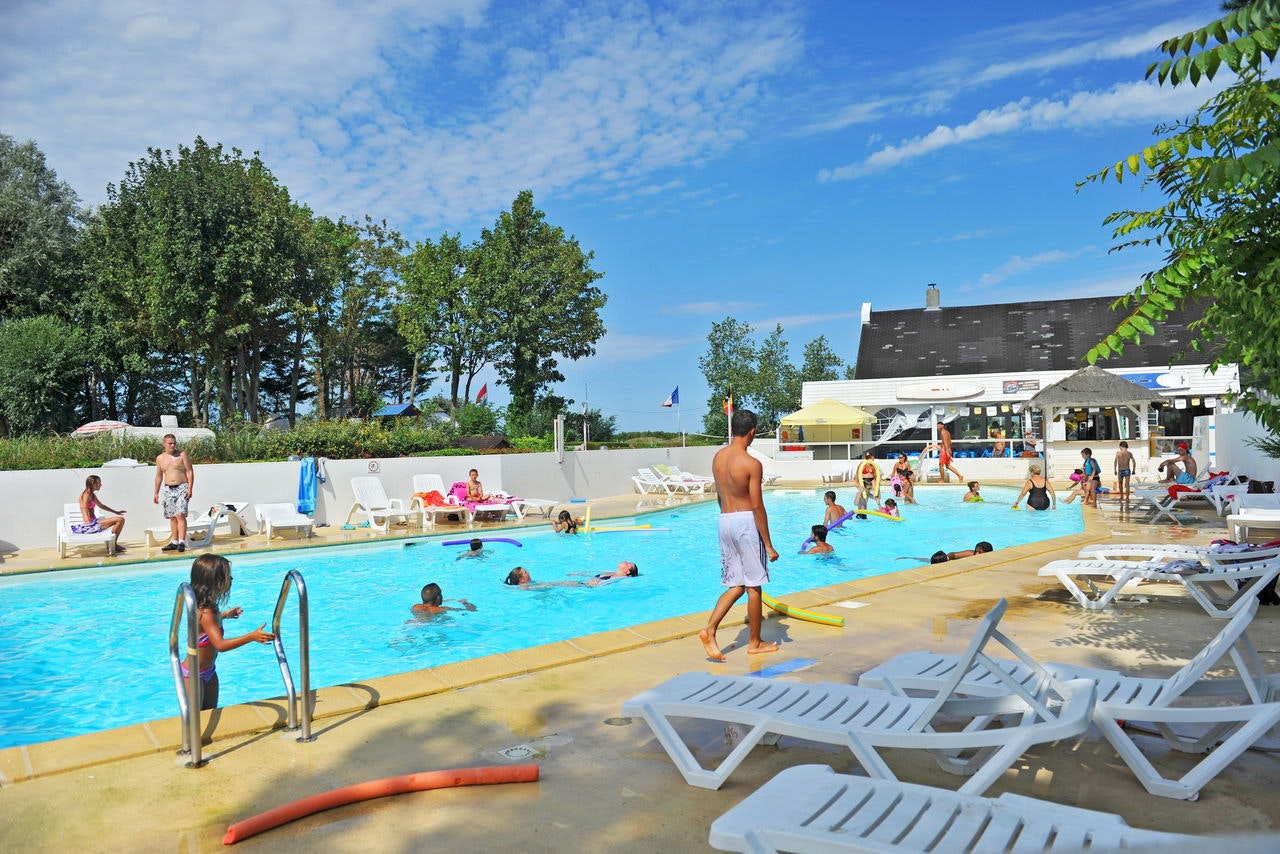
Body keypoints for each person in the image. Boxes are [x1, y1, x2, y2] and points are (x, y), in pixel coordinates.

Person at [700, 408, 779, 661]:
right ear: (753, 432)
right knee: (754, 586)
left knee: (737, 585)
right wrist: (768, 544)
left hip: (724, 520)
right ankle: (754, 643)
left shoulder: (717, 458)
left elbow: (719, 496)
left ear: (733, 428)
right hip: (746, 521)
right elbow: (757, 506)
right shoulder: (752, 464)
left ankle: (710, 629)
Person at [188, 554, 274, 710]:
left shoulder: (209, 607)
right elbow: (220, 645)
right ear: (215, 581)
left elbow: (208, 627)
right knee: (196, 721)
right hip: (193, 674)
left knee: (210, 714)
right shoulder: (205, 612)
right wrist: (251, 637)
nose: (231, 579)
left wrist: (225, 615)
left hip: (209, 671)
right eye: (228, 576)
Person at [153, 433, 194, 552]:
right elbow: (159, 476)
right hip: (168, 489)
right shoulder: (160, 458)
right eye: (170, 443)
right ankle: (174, 541)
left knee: (180, 514)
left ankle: (182, 542)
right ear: (164, 444)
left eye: (174, 443)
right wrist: (156, 492)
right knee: (172, 517)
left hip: (182, 487)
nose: (173, 445)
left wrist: (190, 489)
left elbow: (190, 471)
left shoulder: (182, 455)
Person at [73, 475, 127, 552]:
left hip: (94, 522)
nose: (101, 485)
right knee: (120, 520)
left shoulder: (92, 494)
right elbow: (84, 507)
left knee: (120, 519)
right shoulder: (86, 495)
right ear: (92, 483)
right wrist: (88, 521)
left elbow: (101, 506)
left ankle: (112, 544)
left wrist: (116, 512)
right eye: (99, 482)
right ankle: (113, 544)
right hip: (90, 524)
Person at [412, 582, 476, 615]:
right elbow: (471, 610)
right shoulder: (442, 609)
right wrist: (465, 602)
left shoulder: (415, 607)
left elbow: (429, 605)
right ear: (438, 597)